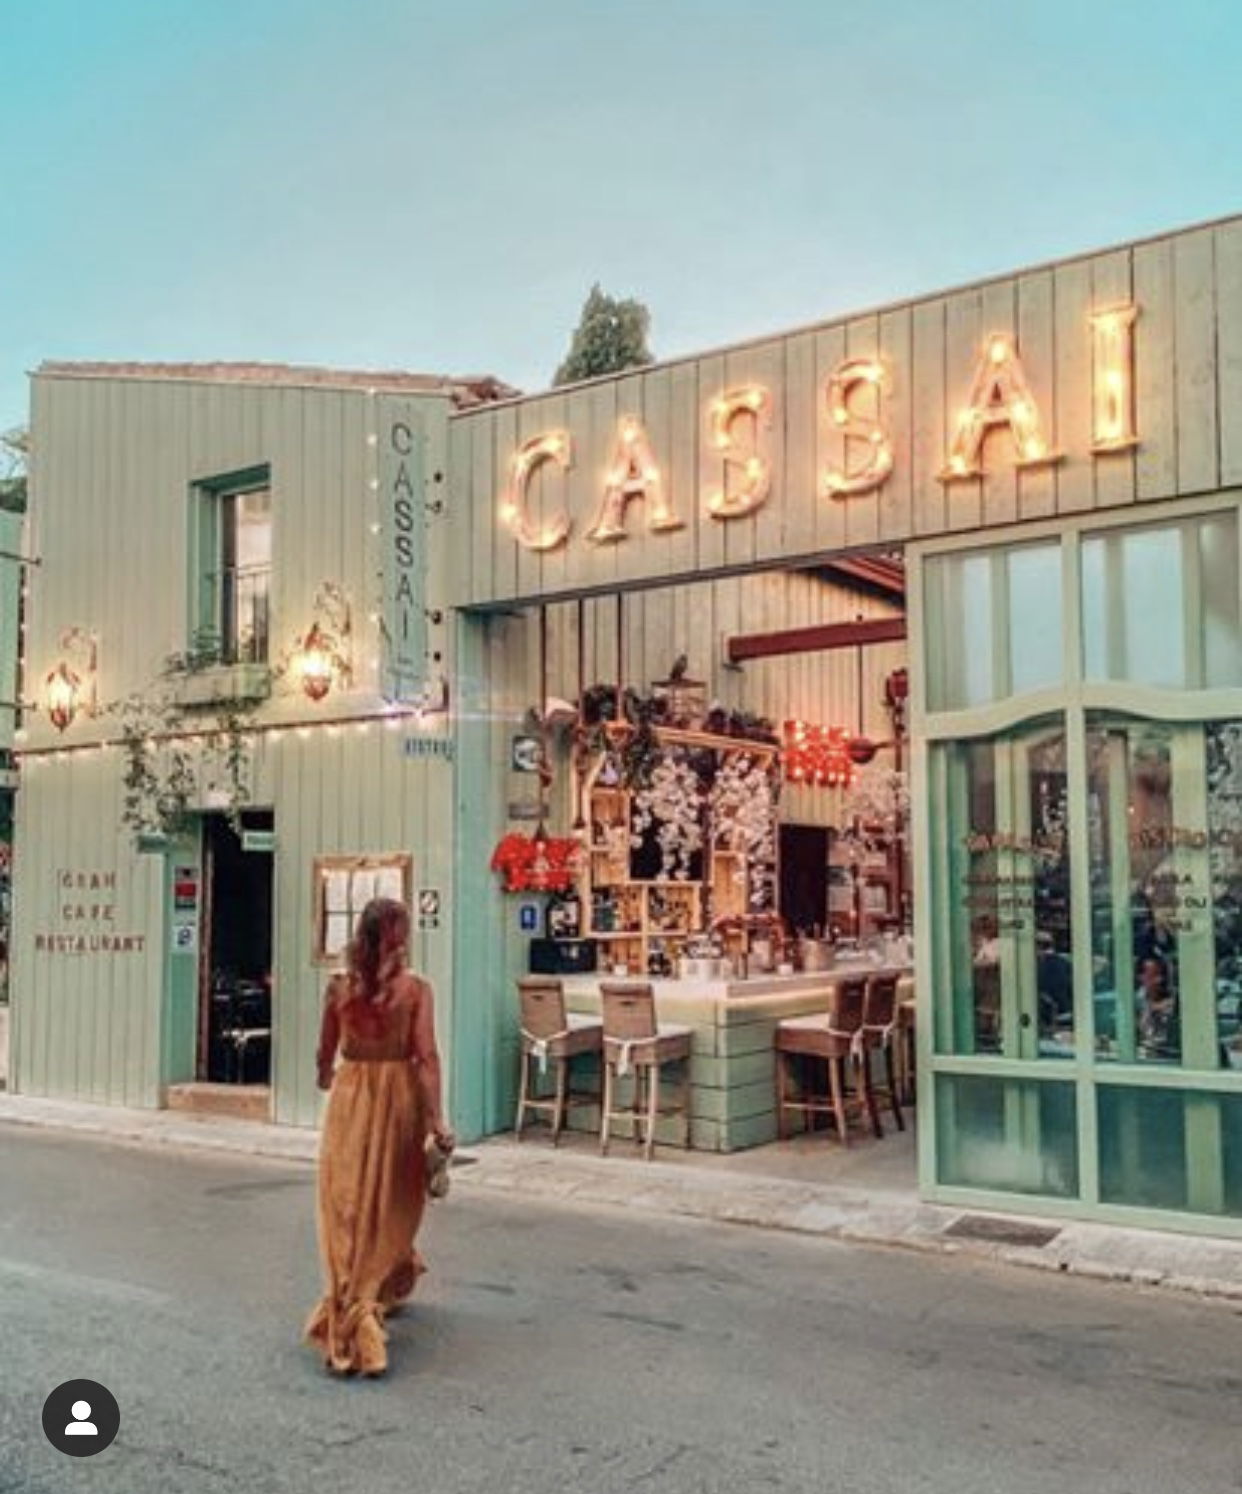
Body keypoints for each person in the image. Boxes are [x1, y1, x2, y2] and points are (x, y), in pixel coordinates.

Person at [304, 897, 454, 1377]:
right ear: (401, 937)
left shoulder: (339, 989)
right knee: (389, 1199)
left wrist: (329, 1076)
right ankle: (366, 1303)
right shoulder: (415, 991)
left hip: (351, 1096)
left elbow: (324, 1053)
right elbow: (426, 1056)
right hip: (398, 1098)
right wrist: (436, 1119)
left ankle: (353, 1291)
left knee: (346, 1202)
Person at [1136, 953, 1180, 1061]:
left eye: (1161, 975)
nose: (1159, 980)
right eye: (1153, 975)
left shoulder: (1173, 1001)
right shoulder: (1135, 1002)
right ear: (1141, 977)